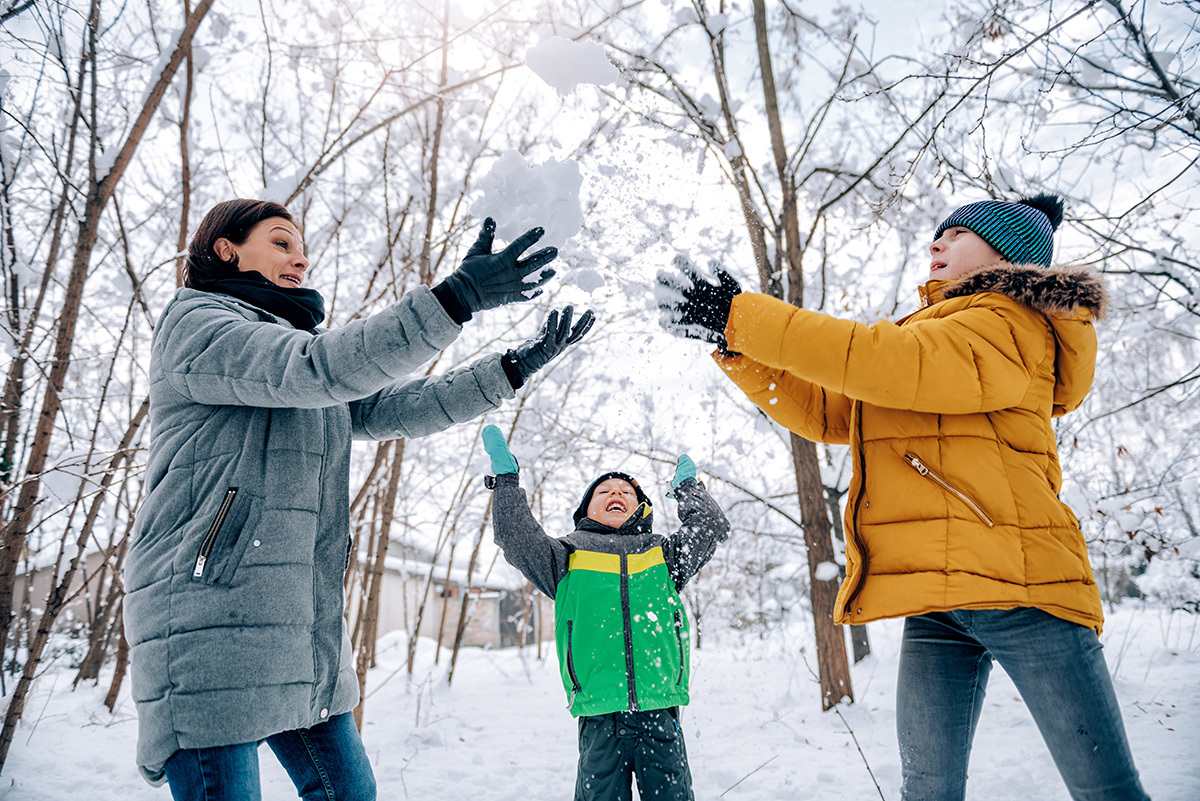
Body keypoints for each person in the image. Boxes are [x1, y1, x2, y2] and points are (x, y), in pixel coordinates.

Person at [655, 194, 1151, 800]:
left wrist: (747, 317)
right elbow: (828, 412)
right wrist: (736, 343)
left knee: (1107, 790)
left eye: (958, 233)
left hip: (1024, 590)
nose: (936, 244)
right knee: (926, 791)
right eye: (937, 236)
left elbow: (883, 362)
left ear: (1010, 251)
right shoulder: (933, 333)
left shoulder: (1008, 324)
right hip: (938, 601)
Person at [124, 198, 594, 801]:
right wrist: (453, 298)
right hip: (208, 618)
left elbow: (391, 407)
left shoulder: (294, 348)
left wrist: (510, 369)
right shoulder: (199, 326)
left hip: (301, 625)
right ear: (227, 249)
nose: (300, 257)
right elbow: (317, 369)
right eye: (281, 242)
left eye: (300, 246)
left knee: (351, 792)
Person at [481, 425, 730, 801]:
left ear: (640, 507)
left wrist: (689, 490)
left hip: (660, 711)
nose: (616, 493)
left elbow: (709, 528)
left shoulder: (663, 555)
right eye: (605, 491)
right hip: (600, 717)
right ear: (587, 509)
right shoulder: (566, 557)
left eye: (627, 492)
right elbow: (515, 538)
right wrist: (506, 481)